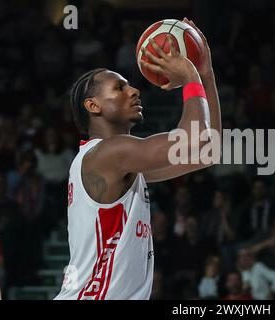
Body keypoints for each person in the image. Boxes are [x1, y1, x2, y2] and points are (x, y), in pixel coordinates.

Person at [55, 19, 221, 300]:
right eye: (119, 88)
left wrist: (206, 73)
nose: (134, 91)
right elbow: (193, 137)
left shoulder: (122, 165)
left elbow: (208, 150)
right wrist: (191, 78)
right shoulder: (108, 153)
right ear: (93, 106)